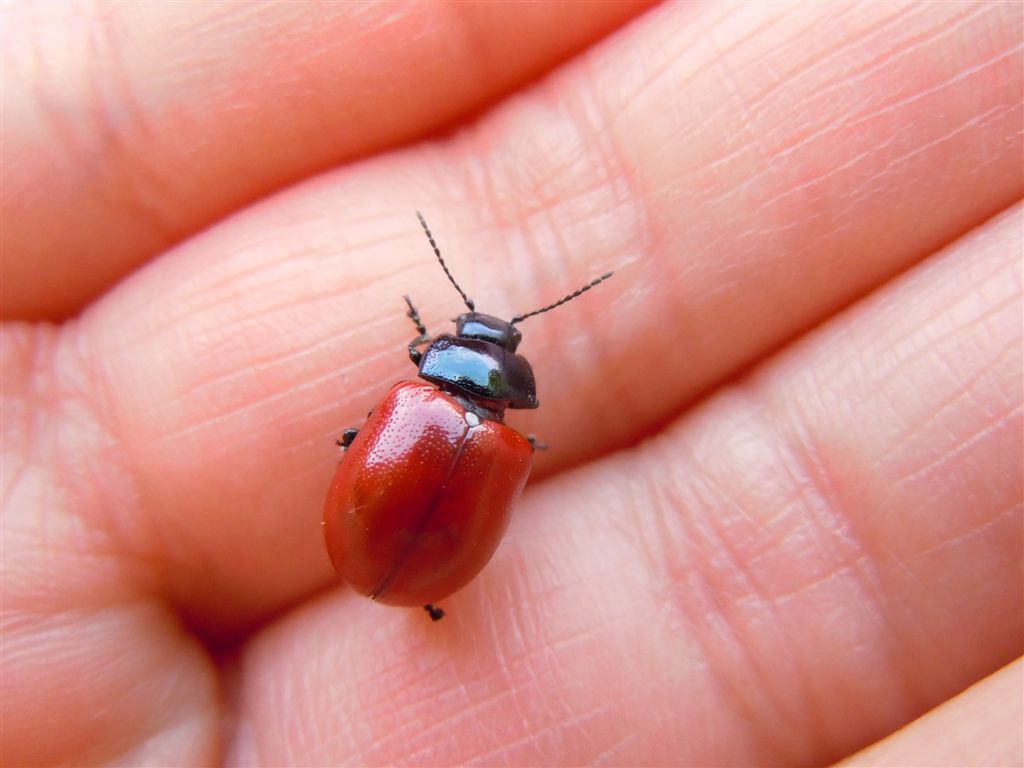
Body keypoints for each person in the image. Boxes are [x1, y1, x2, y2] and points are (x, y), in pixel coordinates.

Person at [2, 2, 1021, 765]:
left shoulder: (412, 401)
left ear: (442, 350)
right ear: (508, 379)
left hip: (391, 552)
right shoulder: (499, 441)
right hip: (420, 569)